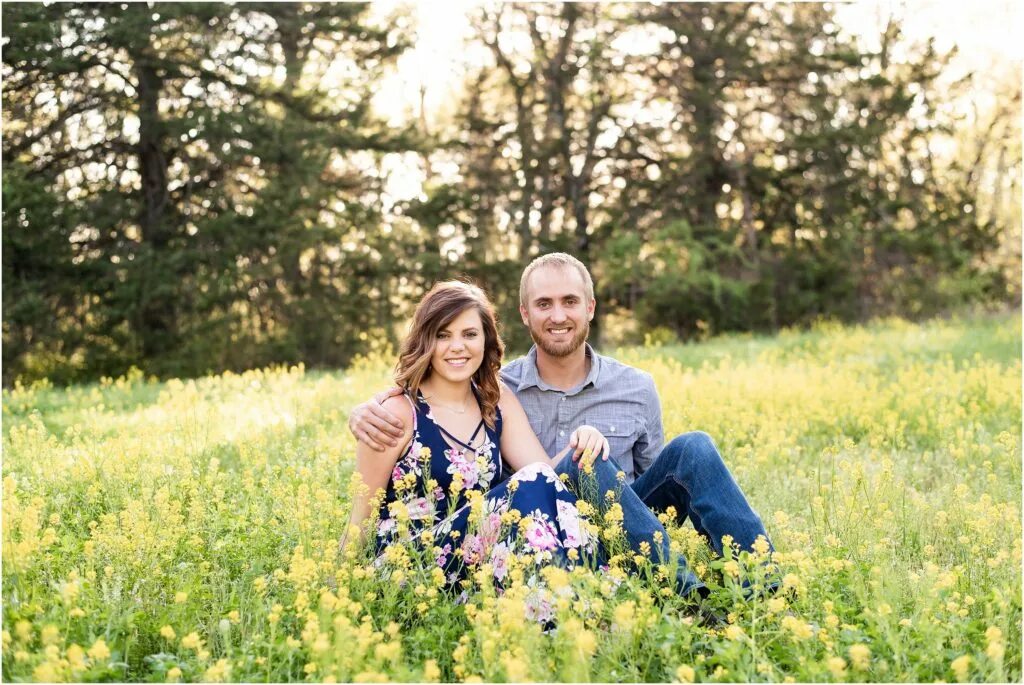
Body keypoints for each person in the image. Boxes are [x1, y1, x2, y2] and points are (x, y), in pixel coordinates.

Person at [350, 253, 774, 599]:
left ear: (590, 307)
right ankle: (686, 598)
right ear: (524, 314)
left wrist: (586, 453)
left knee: (694, 448)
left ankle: (767, 590)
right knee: (578, 462)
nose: (557, 316)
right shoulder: (499, 386)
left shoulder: (632, 387)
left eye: (570, 301)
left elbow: (644, 486)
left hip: (620, 527)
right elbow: (538, 474)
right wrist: (364, 410)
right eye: (544, 304)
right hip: (531, 536)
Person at [342, 280, 612, 588]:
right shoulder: (394, 413)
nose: (457, 346)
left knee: (547, 478)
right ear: (425, 341)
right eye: (443, 335)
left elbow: (546, 476)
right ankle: (581, 599)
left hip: (477, 563)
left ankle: (582, 592)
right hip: (411, 566)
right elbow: (360, 519)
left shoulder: (495, 400)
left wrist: (584, 438)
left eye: (469, 334)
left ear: (486, 340)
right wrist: (336, 590)